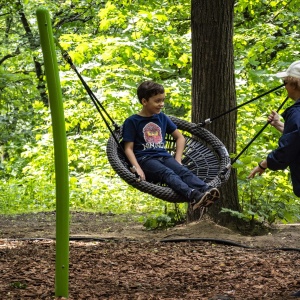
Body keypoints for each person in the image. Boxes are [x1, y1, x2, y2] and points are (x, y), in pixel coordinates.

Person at [122, 80, 220, 210]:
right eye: (157, 101)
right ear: (144, 101)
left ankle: (206, 190)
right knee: (167, 173)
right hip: (146, 160)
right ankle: (193, 195)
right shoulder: (132, 121)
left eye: (163, 100)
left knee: (182, 170)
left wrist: (177, 159)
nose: (161, 104)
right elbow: (128, 148)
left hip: (164, 157)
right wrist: (137, 168)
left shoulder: (162, 117)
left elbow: (180, 138)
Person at [248, 60, 300, 197]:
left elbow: (290, 146)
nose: (285, 87)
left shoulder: (297, 113)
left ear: (294, 85)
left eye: (285, 83)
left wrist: (265, 163)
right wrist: (279, 125)